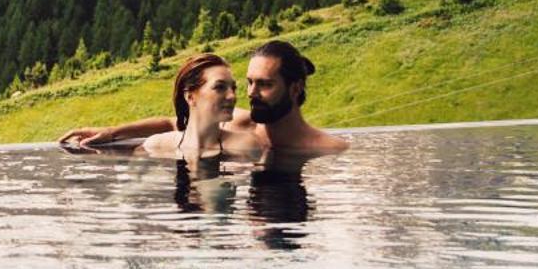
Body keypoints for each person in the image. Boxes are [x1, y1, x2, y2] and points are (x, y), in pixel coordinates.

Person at [58, 39, 349, 156]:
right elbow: (176, 122)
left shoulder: (328, 149)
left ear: (295, 88)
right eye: (248, 83)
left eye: (264, 85)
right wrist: (110, 133)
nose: (249, 94)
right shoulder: (244, 125)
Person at [139, 53, 235, 161]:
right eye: (220, 87)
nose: (232, 96)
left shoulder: (246, 146)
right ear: (190, 97)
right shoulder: (155, 145)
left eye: (233, 88)